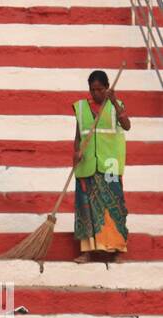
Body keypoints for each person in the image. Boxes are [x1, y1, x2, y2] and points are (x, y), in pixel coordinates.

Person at [74, 70, 131, 263]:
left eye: (99, 89)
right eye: (92, 90)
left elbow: (127, 125)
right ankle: (87, 252)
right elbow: (78, 135)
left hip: (110, 165)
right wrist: (76, 153)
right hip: (87, 164)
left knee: (115, 207)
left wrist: (114, 101)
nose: (96, 93)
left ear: (107, 88)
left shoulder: (116, 105)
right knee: (86, 208)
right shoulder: (81, 108)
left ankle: (116, 250)